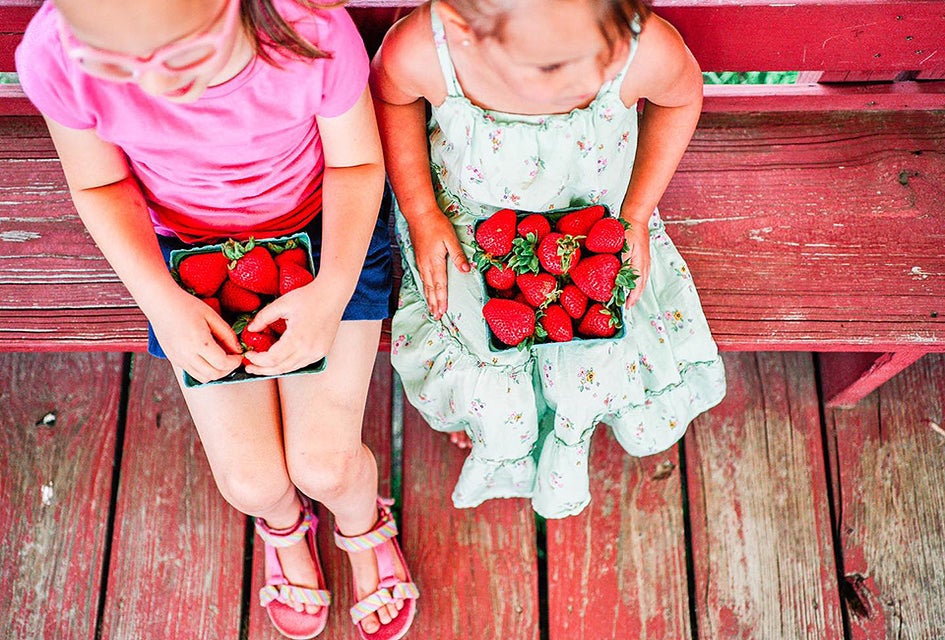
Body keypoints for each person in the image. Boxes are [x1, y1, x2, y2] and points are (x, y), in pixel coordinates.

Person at [16, 0, 417, 638]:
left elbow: (357, 164)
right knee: (251, 484)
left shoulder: (310, 34)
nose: (149, 82)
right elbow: (98, 185)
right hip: (185, 257)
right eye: (114, 63)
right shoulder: (57, 54)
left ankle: (361, 521)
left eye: (183, 56)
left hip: (327, 231)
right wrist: (164, 304)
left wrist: (332, 291)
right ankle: (285, 527)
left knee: (326, 465)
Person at [372, 0, 727, 519]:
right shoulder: (427, 50)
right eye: (552, 68)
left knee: (596, 352)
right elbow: (393, 99)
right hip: (470, 225)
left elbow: (679, 99)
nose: (586, 76)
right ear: (460, 24)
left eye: (596, 56)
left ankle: (561, 410)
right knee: (484, 354)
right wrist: (422, 212)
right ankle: (498, 424)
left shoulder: (636, 44)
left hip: (596, 224)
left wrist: (635, 214)